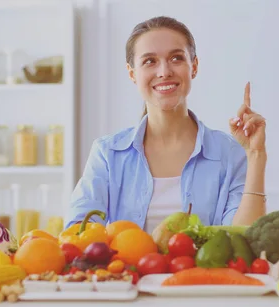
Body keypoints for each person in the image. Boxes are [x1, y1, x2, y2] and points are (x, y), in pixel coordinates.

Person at [66, 16, 267, 234]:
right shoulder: (107, 153)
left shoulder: (229, 152)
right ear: (132, 73)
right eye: (150, 61)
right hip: (124, 269)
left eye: (176, 58)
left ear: (194, 67)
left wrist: (255, 154)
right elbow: (78, 232)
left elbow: (244, 238)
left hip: (202, 270)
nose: (164, 72)